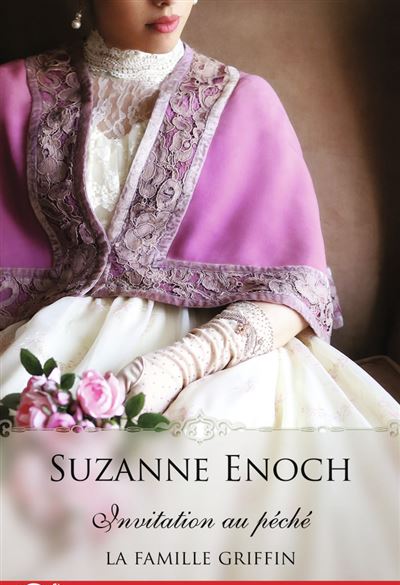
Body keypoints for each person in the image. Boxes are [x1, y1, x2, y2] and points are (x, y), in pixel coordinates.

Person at [0, 0, 398, 433]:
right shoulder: (11, 94)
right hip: (45, 353)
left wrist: (182, 363)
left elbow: (299, 289)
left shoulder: (246, 101)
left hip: (224, 363)